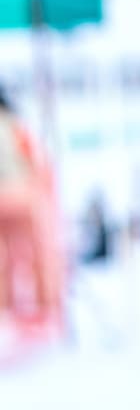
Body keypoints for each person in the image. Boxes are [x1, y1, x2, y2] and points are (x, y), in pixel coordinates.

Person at [0, 85, 64, 331]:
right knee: (38, 253)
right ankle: (43, 308)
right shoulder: (16, 127)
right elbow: (36, 162)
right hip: (22, 195)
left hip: (15, 196)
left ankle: (6, 312)